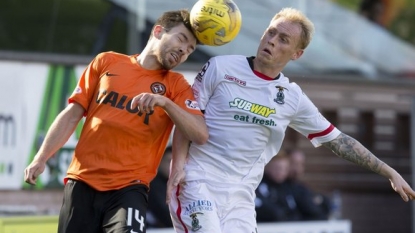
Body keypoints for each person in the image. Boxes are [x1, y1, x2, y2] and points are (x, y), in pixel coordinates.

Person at [166, 7, 415, 233]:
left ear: (297, 54)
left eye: (283, 39)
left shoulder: (292, 98)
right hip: (198, 182)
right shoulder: (220, 67)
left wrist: (388, 171)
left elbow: (338, 141)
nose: (272, 41)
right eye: (271, 33)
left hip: (241, 196)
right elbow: (188, 119)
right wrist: (177, 166)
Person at [23, 9, 208, 233]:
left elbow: (200, 134)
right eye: (181, 39)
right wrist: (41, 158)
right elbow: (72, 113)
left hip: (129, 189)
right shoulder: (106, 61)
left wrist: (165, 103)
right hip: (82, 182)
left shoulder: (177, 85)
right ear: (158, 31)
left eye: (190, 49)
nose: (183, 51)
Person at [147, 145, 174, 228]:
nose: (172, 166)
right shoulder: (152, 184)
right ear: (159, 162)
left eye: (176, 162)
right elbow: (164, 213)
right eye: (169, 161)